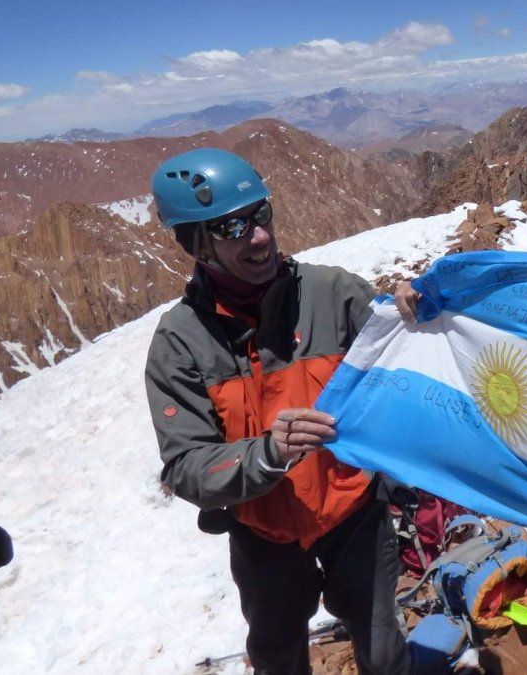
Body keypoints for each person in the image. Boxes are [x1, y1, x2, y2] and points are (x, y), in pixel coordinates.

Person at [144, 148, 408, 675]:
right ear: (196, 244)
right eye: (232, 226)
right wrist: (266, 454)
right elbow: (186, 468)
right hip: (262, 531)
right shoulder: (181, 343)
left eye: (260, 215)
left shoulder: (336, 294)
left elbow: (403, 363)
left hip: (353, 510)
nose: (259, 237)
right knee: (277, 653)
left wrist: (415, 314)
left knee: (382, 645)